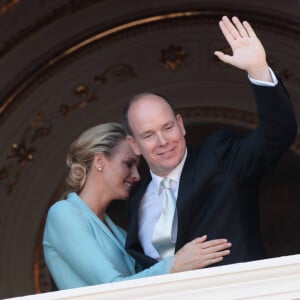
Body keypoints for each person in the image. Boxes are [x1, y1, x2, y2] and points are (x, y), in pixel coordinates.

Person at [123, 16, 297, 269]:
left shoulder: (220, 159)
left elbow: (277, 134)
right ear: (134, 144)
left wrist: (258, 68)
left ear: (181, 125)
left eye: (168, 127)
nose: (162, 141)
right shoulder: (136, 199)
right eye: (148, 135)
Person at [43, 122, 232, 290]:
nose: (137, 176)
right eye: (128, 164)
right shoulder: (63, 213)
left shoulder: (119, 232)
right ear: (100, 161)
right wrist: (174, 265)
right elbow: (111, 288)